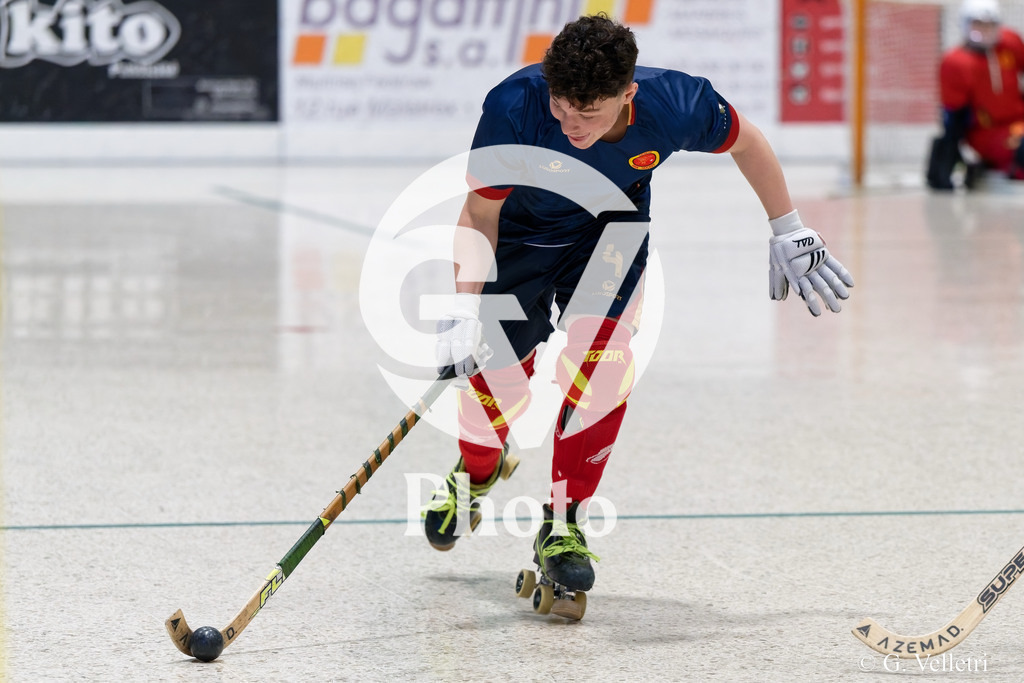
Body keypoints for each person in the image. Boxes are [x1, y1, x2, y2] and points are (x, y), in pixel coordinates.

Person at [423, 13, 854, 612]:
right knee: (496, 387)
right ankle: (473, 472)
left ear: (629, 94)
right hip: (519, 236)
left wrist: (789, 228)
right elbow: (479, 213)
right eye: (563, 109)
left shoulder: (677, 103)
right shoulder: (514, 106)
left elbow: (748, 141)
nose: (572, 125)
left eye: (589, 114)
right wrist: (464, 305)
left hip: (610, 233)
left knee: (601, 367)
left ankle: (563, 522)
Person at [928, 0, 1024, 190]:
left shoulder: (1010, 43)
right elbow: (954, 117)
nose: (985, 30)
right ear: (965, 24)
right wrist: (949, 153)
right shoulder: (955, 63)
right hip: (988, 132)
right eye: (978, 24)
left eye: (990, 24)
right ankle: (1002, 166)